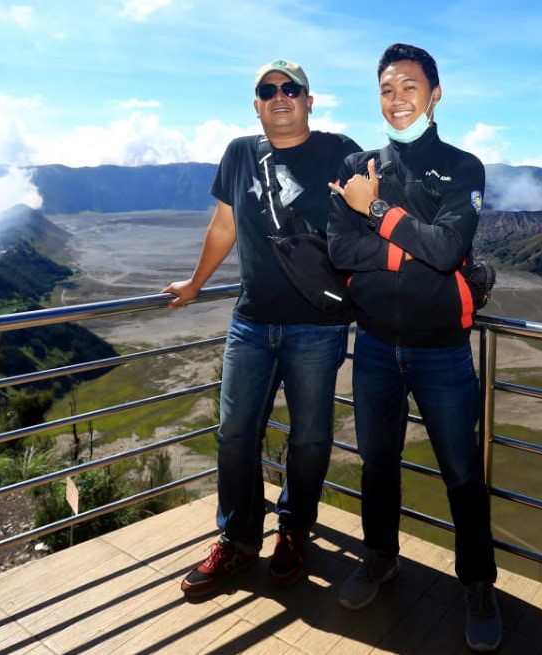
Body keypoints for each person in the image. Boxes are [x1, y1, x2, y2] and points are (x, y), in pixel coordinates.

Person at [326, 43, 502, 651]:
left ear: (435, 94)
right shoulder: (358, 161)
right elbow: (339, 251)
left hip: (442, 351)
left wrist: (373, 209)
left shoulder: (463, 168)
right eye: (386, 89)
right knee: (377, 464)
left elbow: (450, 249)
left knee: (460, 473)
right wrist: (409, 244)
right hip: (373, 345)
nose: (397, 100)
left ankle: (478, 584)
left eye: (409, 87)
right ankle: (380, 558)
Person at [163, 58, 361, 597]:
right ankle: (238, 539)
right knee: (234, 434)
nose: (280, 95)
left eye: (291, 88)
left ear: (309, 100)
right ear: (256, 104)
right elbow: (224, 225)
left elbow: (366, 221)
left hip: (317, 327)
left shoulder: (341, 150)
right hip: (250, 323)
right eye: (268, 89)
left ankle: (294, 531)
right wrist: (196, 283)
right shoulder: (238, 153)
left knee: (312, 437)